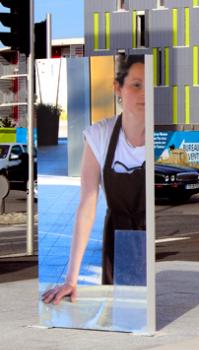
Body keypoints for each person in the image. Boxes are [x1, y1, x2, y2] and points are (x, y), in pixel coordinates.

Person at [42, 54, 146, 304]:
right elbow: (87, 206)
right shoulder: (99, 135)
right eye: (136, 84)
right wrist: (71, 279)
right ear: (117, 88)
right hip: (118, 244)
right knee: (124, 315)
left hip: (151, 241)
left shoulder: (160, 134)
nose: (144, 93)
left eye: (149, 85)